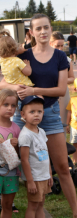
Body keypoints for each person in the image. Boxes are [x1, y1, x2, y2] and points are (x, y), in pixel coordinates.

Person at [0, 13, 77, 218]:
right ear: (31, 32)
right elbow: (2, 82)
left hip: (50, 113)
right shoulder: (22, 54)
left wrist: (33, 90)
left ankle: (76, 213)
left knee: (62, 166)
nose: (43, 32)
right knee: (31, 164)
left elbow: (61, 89)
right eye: (38, 29)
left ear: (50, 28)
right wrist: (16, 87)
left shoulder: (59, 56)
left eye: (46, 27)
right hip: (23, 116)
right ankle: (39, 209)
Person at [18, 95, 52, 218]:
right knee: (33, 206)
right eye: (32, 112)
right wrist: (30, 181)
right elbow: (24, 160)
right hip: (34, 177)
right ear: (23, 114)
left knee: (41, 204)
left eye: (39, 111)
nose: (36, 115)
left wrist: (49, 174)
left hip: (43, 176)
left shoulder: (41, 131)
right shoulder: (26, 135)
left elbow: (46, 153)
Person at [0, 89, 20, 218]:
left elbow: (19, 155)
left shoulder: (16, 128)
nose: (10, 108)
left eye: (13, 106)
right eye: (5, 104)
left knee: (7, 205)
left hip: (11, 173)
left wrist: (16, 146)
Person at [50, 31, 75, 129]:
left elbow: (72, 78)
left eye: (62, 45)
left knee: (62, 122)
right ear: (50, 44)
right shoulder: (44, 59)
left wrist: (60, 81)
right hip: (48, 93)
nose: (60, 48)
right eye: (57, 46)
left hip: (63, 95)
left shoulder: (67, 60)